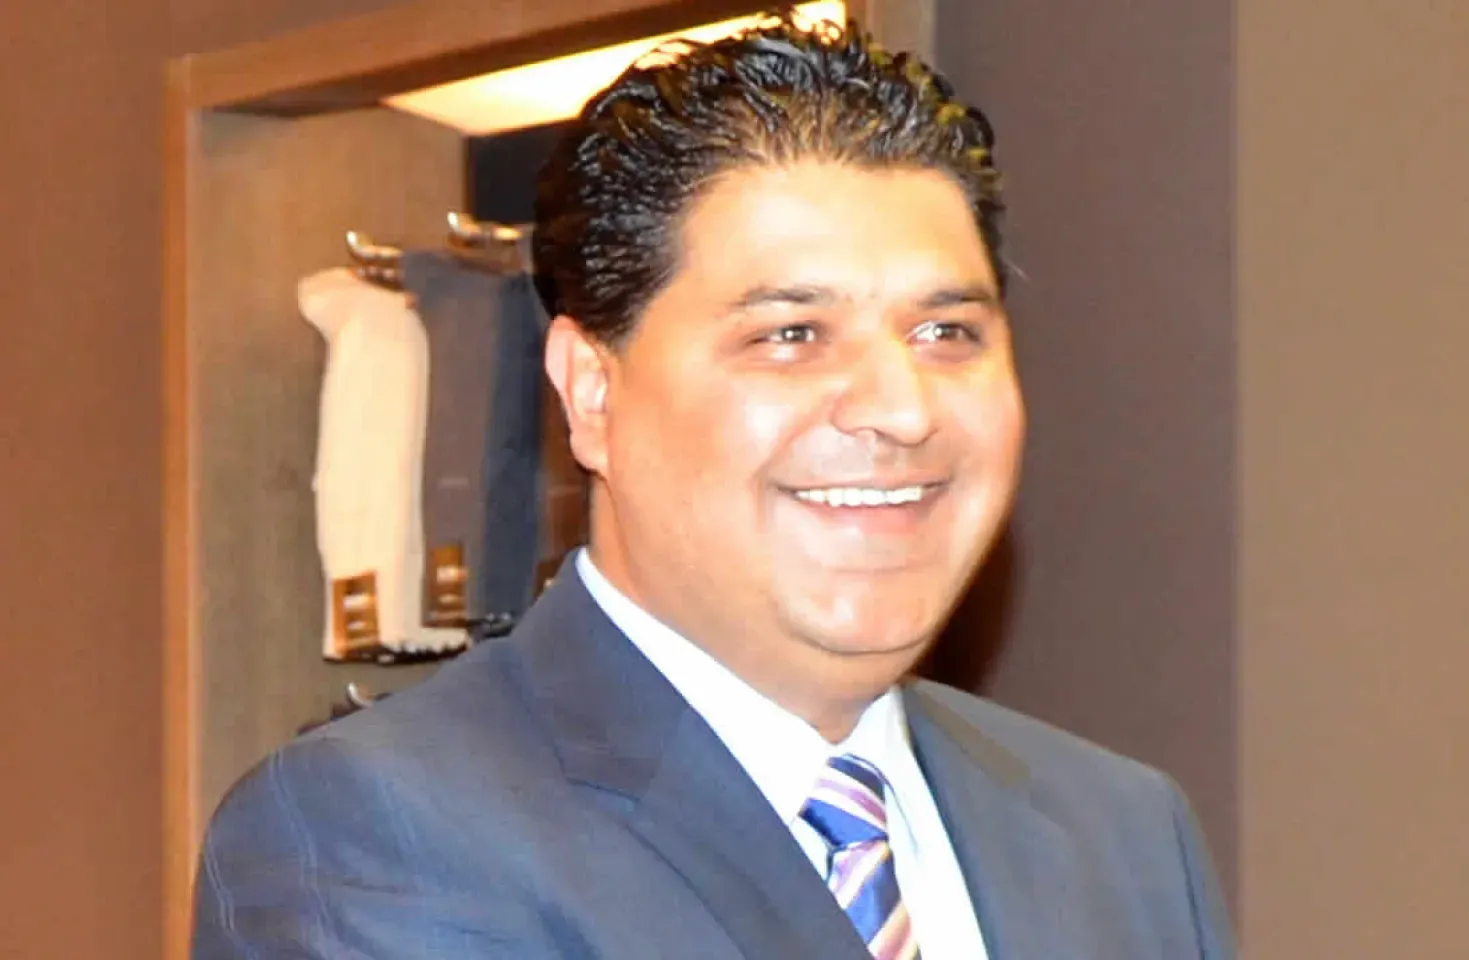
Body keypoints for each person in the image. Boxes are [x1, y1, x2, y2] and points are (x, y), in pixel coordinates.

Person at [192, 15, 1235, 959]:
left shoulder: (1121, 832)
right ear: (592, 391)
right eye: (792, 334)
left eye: (945, 332)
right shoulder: (378, 835)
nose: (902, 407)